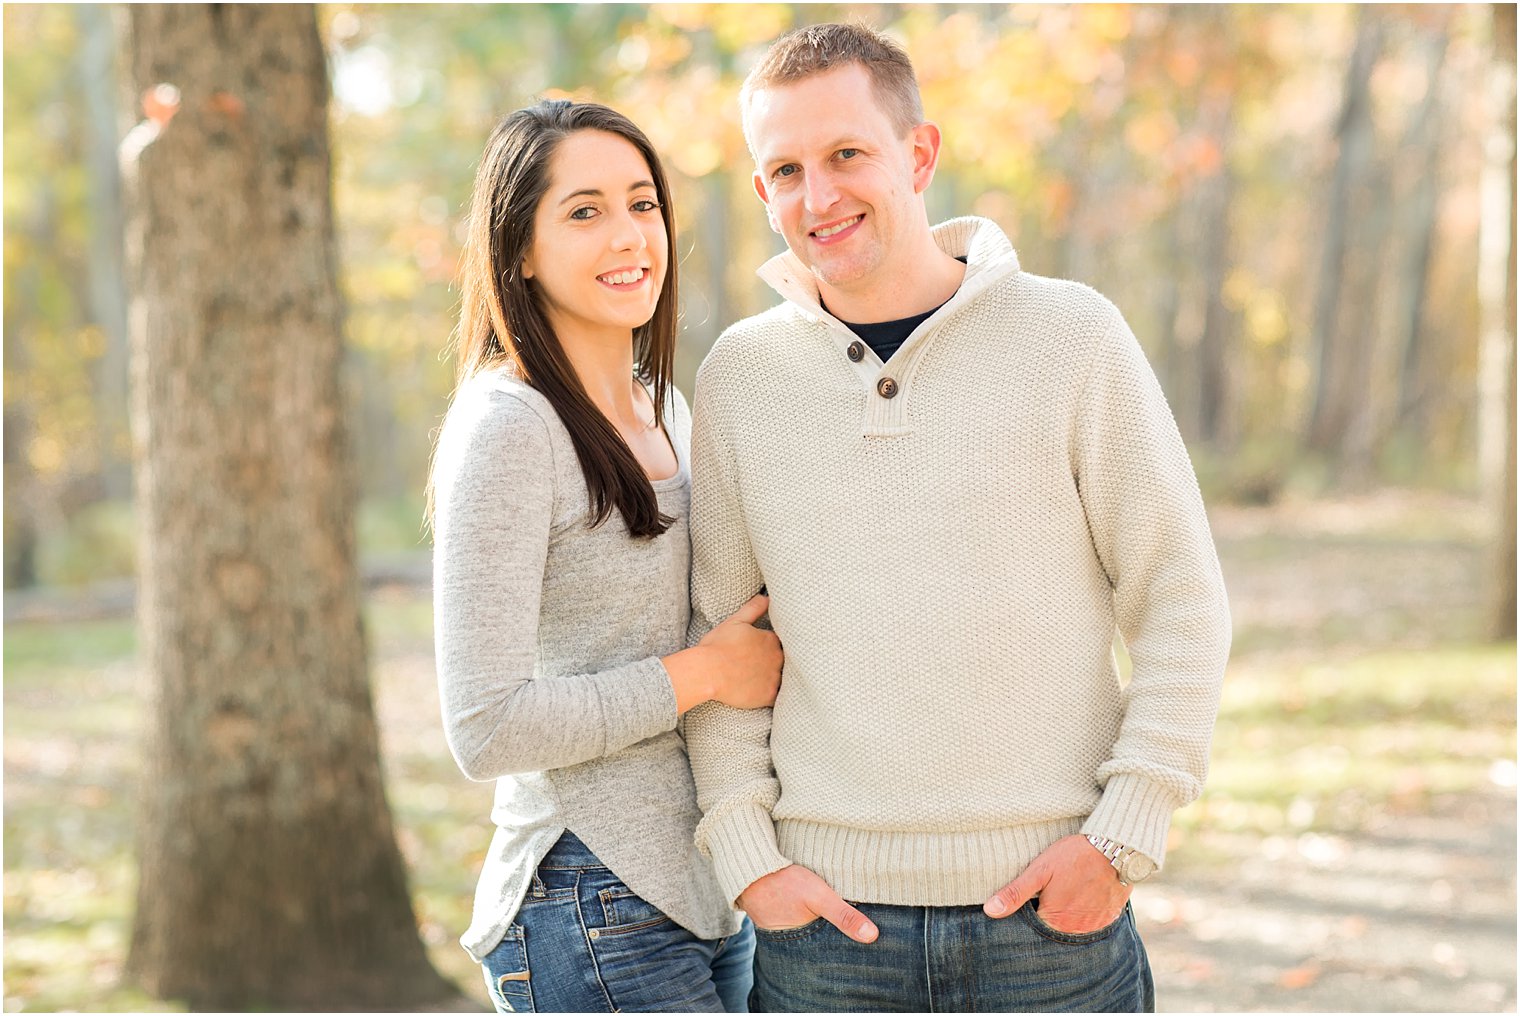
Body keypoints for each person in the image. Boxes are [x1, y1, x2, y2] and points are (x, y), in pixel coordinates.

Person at [683, 23, 1233, 1013]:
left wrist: (1119, 834)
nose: (819, 195)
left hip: (1048, 925)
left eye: (846, 153)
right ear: (762, 191)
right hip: (823, 934)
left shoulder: (1070, 337)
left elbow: (1178, 592)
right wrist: (748, 858)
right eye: (785, 169)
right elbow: (721, 644)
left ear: (918, 153)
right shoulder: (739, 378)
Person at [430, 99, 782, 1014]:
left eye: (642, 204)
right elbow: (486, 726)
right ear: (519, 249)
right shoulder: (510, 428)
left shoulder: (666, 405)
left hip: (707, 885)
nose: (628, 236)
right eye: (584, 212)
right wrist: (700, 675)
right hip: (585, 895)